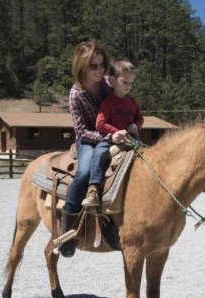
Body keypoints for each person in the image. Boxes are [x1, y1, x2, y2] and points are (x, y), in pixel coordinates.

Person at [59, 40, 129, 257]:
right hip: (89, 140)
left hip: (113, 135)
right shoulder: (75, 94)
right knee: (84, 173)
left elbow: (123, 102)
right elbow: (81, 131)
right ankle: (68, 227)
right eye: (93, 66)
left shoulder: (109, 84)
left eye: (101, 64)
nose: (99, 70)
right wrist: (109, 135)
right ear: (82, 67)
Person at [86, 58, 144, 206]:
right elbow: (100, 124)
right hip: (110, 139)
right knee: (99, 153)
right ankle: (93, 187)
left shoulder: (132, 101)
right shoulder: (108, 102)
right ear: (112, 80)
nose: (128, 86)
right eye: (125, 82)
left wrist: (136, 126)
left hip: (130, 139)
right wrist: (116, 132)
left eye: (131, 83)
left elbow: (140, 118)